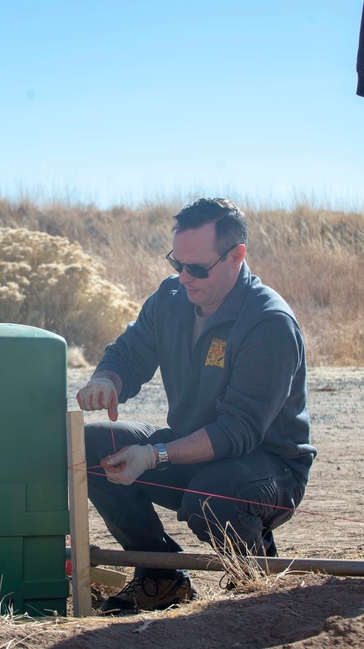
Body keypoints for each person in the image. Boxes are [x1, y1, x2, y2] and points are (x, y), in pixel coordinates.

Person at [76, 197, 315, 615]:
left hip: (269, 469)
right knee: (91, 445)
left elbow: (237, 431)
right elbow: (129, 353)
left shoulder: (269, 323)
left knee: (213, 498)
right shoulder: (171, 298)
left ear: (237, 256)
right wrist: (106, 380)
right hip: (192, 451)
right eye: (177, 264)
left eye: (197, 268)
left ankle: (255, 582)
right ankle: (160, 577)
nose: (184, 278)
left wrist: (153, 455)